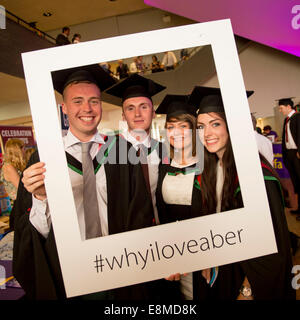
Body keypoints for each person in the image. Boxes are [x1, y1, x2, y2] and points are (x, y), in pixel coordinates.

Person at [11, 64, 156, 300]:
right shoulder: (44, 158)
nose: (87, 108)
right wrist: (39, 198)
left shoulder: (121, 151)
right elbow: (30, 233)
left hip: (119, 272)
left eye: (94, 101)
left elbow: (140, 214)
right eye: (77, 101)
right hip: (67, 276)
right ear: (65, 108)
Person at [190, 86, 295, 300]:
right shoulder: (210, 170)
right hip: (223, 273)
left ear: (231, 126)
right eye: (201, 126)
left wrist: (247, 290)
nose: (207, 133)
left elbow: (270, 245)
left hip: (247, 281)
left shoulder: (253, 175)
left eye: (215, 124)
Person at [155, 94, 205, 300]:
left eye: (183, 126)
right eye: (170, 127)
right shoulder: (164, 165)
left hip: (206, 250)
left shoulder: (207, 164)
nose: (176, 132)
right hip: (174, 253)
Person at [105, 74, 167, 227]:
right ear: (123, 116)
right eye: (130, 108)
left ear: (153, 113)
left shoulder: (162, 150)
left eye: (143, 107)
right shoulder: (110, 151)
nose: (137, 114)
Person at [278, 97, 300, 216]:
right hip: (290, 154)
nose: (280, 110)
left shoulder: (298, 117)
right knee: (296, 182)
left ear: (288, 107)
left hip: (297, 153)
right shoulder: (287, 120)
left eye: (281, 108)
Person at [0, 138, 26, 204]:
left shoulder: (13, 165)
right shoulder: (9, 167)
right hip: (20, 203)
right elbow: (21, 187)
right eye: (24, 148)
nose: (25, 151)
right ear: (17, 150)